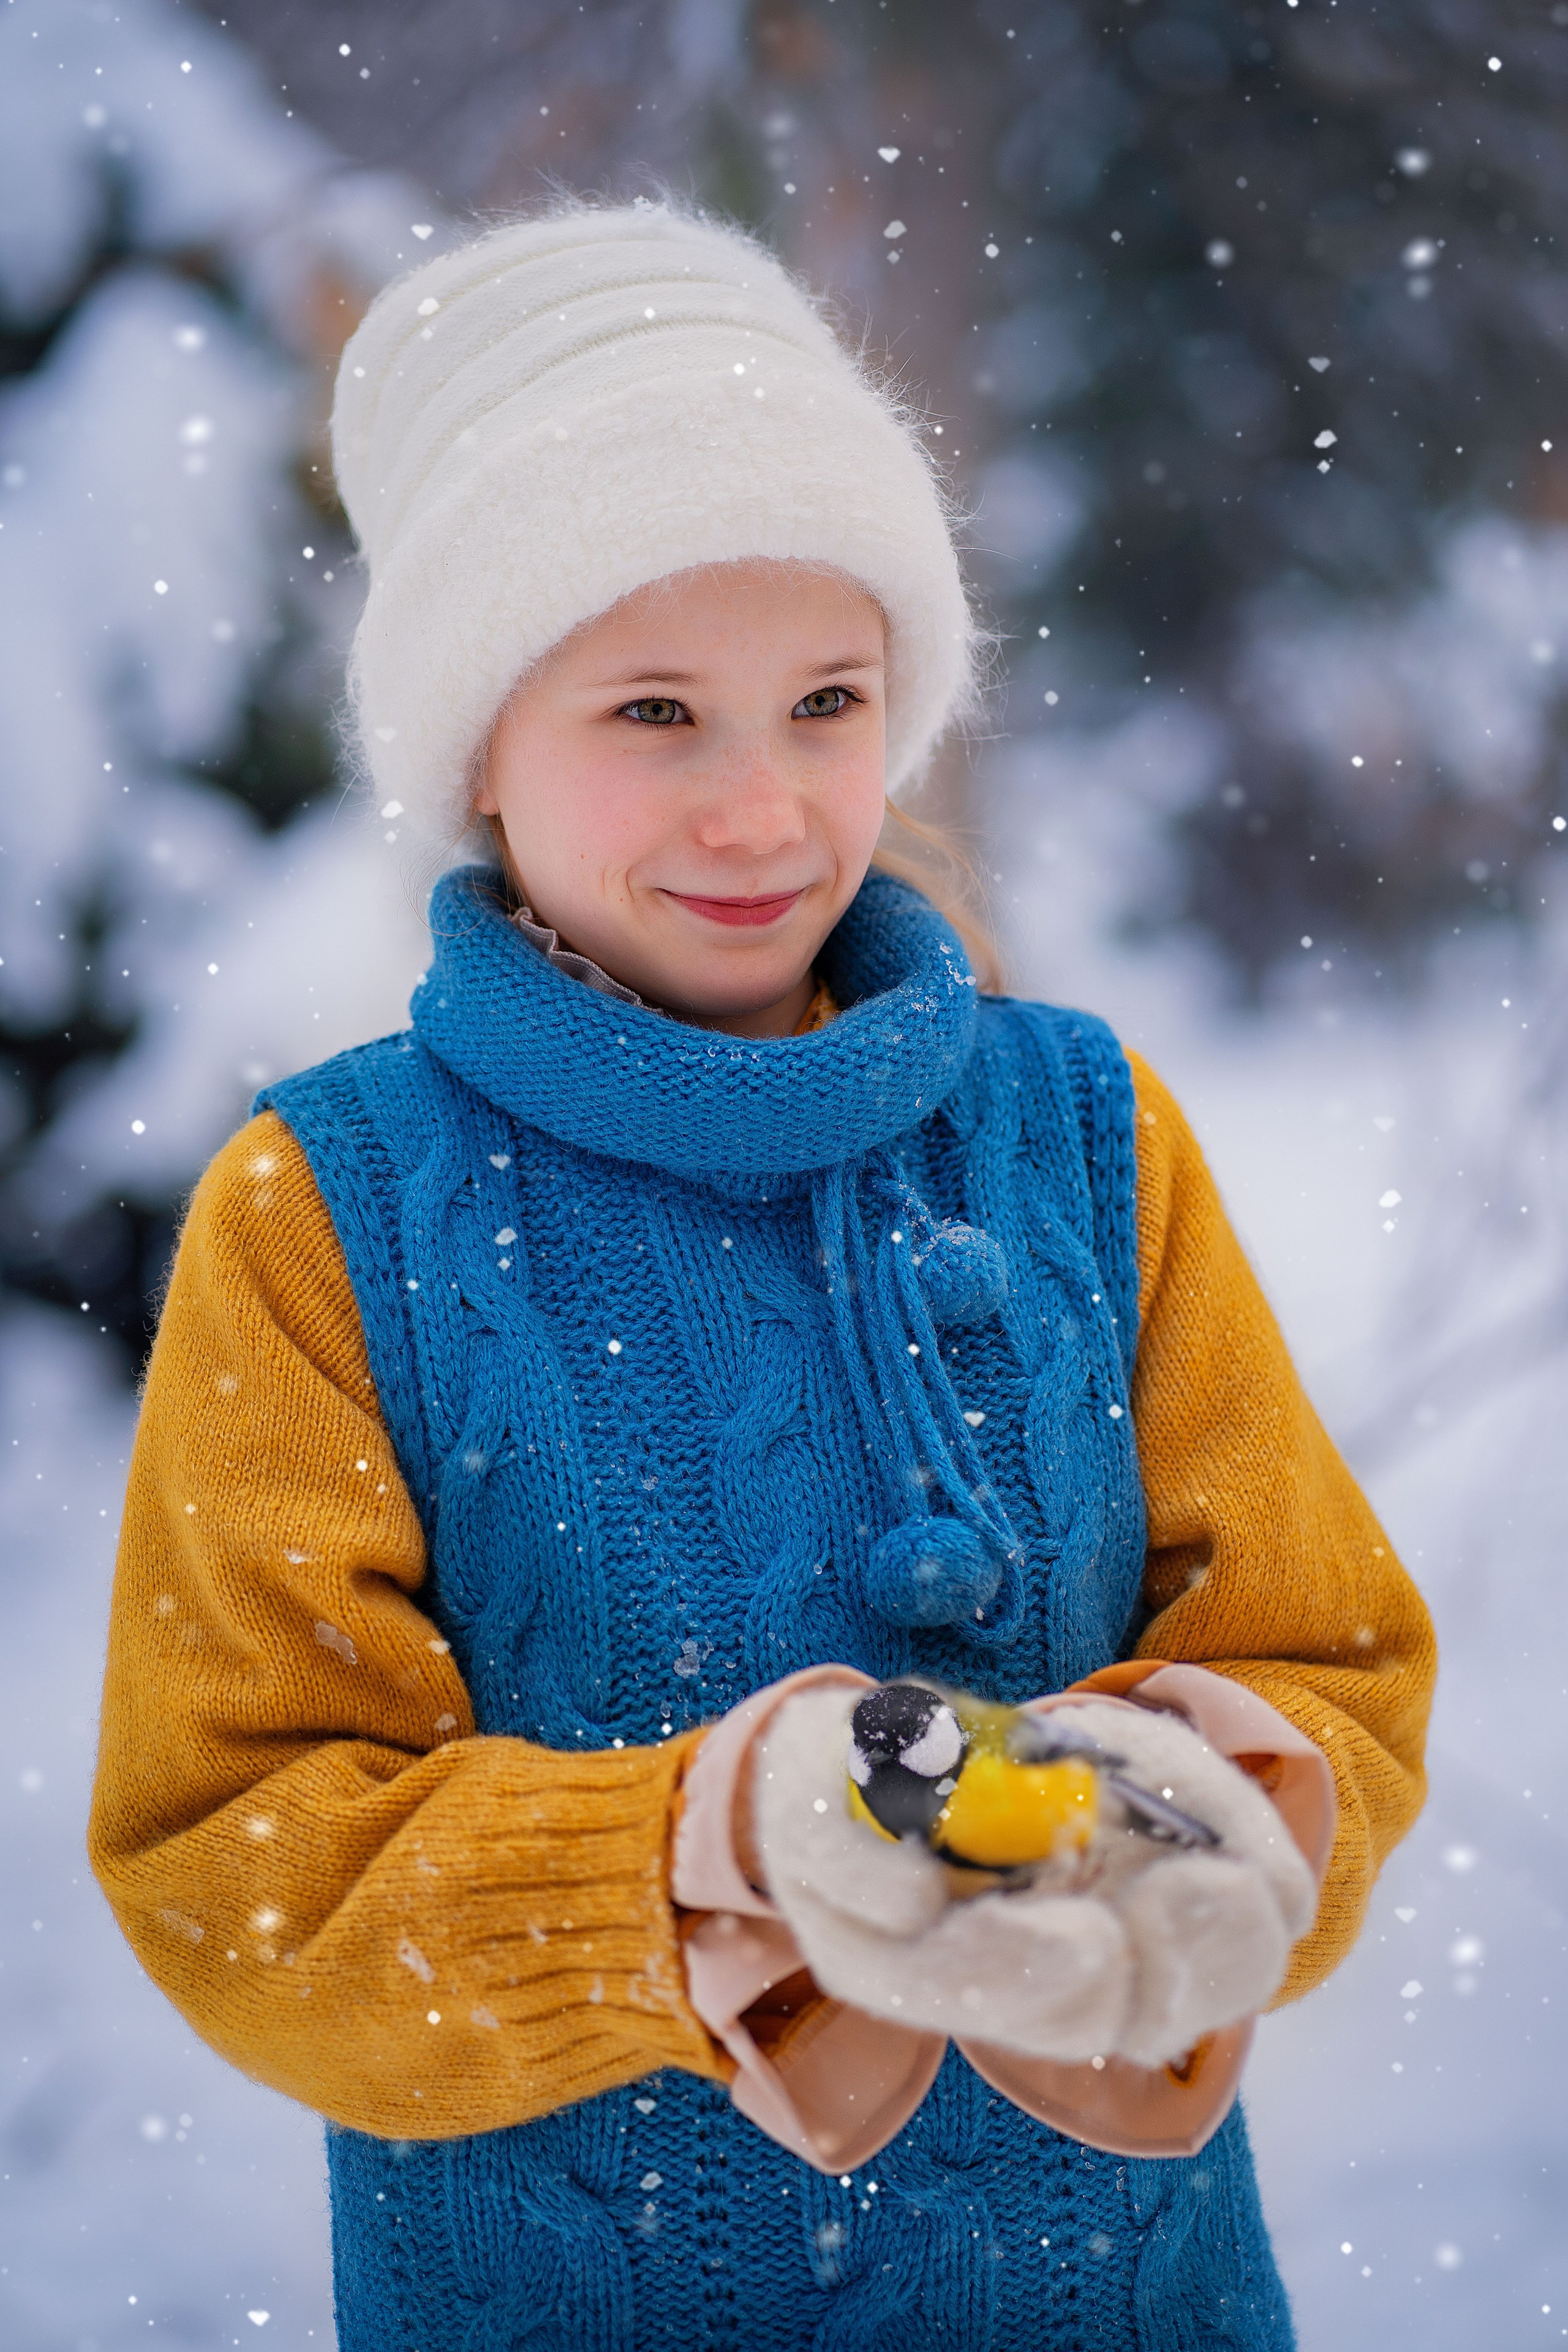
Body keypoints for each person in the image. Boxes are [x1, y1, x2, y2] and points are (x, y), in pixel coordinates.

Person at [89, 203, 1435, 2351]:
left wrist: (1212, 1809)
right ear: (478, 753)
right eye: (653, 710)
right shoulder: (326, 1213)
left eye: (825, 700)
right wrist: (704, 1851)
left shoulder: (1082, 1134)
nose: (761, 807)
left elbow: (1330, 1659)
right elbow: (240, 1856)